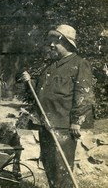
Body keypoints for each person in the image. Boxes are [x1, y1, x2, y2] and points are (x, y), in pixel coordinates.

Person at [21, 24, 95, 188]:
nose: (52, 45)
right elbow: (43, 91)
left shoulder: (79, 64)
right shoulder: (51, 66)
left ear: (68, 44)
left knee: (62, 170)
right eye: (51, 41)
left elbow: (84, 94)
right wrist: (29, 82)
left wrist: (76, 120)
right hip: (46, 124)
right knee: (50, 167)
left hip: (63, 126)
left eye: (57, 41)